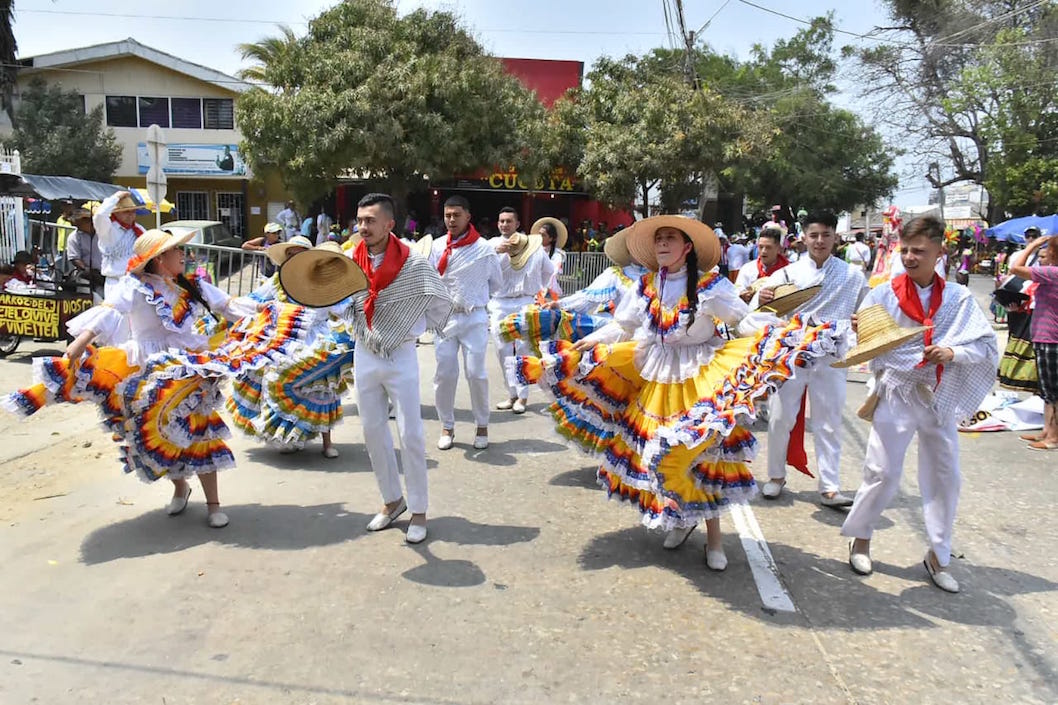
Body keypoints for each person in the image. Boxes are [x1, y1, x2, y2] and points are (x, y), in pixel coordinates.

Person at [512, 215, 839, 569]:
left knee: (704, 453)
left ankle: (715, 541)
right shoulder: (645, 286)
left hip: (699, 374)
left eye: (670, 238)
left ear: (687, 247)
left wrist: (777, 333)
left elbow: (741, 320)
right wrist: (579, 349)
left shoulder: (710, 286)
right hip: (654, 374)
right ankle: (681, 520)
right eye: (658, 239)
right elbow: (622, 328)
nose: (663, 244)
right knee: (657, 450)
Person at [2, 230, 309, 528]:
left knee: (200, 431)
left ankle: (214, 504)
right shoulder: (133, 287)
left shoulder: (192, 285)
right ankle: (179, 488)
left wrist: (268, 311)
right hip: (147, 370)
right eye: (177, 251)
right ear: (161, 258)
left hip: (189, 368)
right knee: (156, 433)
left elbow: (226, 305)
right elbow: (110, 312)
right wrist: (81, 341)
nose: (184, 256)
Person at [841, 215, 997, 593]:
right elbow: (858, 345)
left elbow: (984, 344)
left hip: (938, 396)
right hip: (897, 391)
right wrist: (861, 335)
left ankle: (938, 554)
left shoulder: (958, 298)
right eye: (905, 249)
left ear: (940, 251)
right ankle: (860, 538)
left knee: (946, 476)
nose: (910, 257)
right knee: (883, 470)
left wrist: (952, 351)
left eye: (919, 251)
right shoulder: (882, 294)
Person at [325, 193, 451, 544]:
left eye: (370, 220)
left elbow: (439, 301)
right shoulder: (351, 260)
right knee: (372, 431)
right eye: (360, 220)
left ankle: (420, 511)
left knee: (410, 433)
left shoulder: (414, 263)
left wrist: (409, 323)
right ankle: (392, 500)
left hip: (401, 354)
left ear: (389, 224)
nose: (362, 226)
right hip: (364, 351)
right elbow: (337, 302)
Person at [752, 210, 868, 507]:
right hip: (793, 355)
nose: (819, 241)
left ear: (835, 238)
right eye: (814, 235)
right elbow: (758, 305)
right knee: (780, 417)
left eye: (826, 235)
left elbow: (866, 311)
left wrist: (858, 326)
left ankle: (830, 486)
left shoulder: (852, 276)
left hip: (831, 356)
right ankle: (775, 477)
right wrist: (762, 299)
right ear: (803, 238)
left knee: (828, 421)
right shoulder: (788, 274)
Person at [227, 235, 352, 458]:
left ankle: (327, 443)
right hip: (285, 338)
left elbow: (344, 306)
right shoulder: (278, 282)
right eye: (291, 255)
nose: (295, 259)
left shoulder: (323, 283)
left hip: (317, 339)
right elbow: (252, 300)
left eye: (299, 254)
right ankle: (289, 435)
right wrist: (230, 307)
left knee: (323, 389)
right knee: (274, 383)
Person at [427, 195, 502, 451]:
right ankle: (447, 426)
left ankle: (482, 425)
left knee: (476, 373)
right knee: (444, 374)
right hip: (445, 317)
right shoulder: (436, 247)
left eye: (456, 215)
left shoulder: (484, 248)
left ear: (468, 216)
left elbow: (496, 283)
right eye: (447, 215)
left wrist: (474, 297)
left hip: (474, 316)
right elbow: (429, 280)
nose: (451, 220)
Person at [489, 207, 555, 414]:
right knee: (502, 351)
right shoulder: (492, 245)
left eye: (509, 221)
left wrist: (534, 290)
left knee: (523, 349)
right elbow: (485, 270)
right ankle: (512, 394)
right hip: (499, 302)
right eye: (501, 221)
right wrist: (498, 253)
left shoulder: (534, 246)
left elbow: (548, 271)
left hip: (525, 301)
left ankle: (523, 397)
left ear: (517, 224)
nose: (504, 225)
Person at [1008, 233, 1058, 450]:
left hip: (1051, 338)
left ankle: (1054, 438)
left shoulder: (1053, 273)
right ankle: (1047, 431)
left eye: (1046, 254)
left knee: (1053, 391)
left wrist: (1033, 245)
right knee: (1046, 390)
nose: (1042, 258)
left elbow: (1015, 268)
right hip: (1045, 336)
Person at [93, 190, 144, 300]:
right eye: (126, 212)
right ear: (116, 212)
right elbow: (100, 215)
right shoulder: (108, 230)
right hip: (115, 281)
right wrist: (115, 197)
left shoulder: (139, 230)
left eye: (133, 211)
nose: (130, 215)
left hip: (136, 281)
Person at [734, 226, 789, 302]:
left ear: (779, 249)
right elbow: (737, 291)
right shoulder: (747, 269)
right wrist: (742, 295)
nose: (763, 251)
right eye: (760, 247)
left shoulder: (789, 271)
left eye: (768, 247)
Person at [65, 207, 104, 301]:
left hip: (105, 274)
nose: (77, 227)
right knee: (88, 298)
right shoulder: (74, 237)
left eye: (79, 224)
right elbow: (74, 258)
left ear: (88, 221)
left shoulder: (104, 233)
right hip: (86, 275)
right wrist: (87, 270)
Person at [533, 217, 567, 298]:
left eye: (543, 235)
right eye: (539, 234)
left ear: (551, 238)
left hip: (548, 290)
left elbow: (553, 271)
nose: (540, 237)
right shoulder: (533, 251)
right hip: (532, 288)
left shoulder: (558, 254)